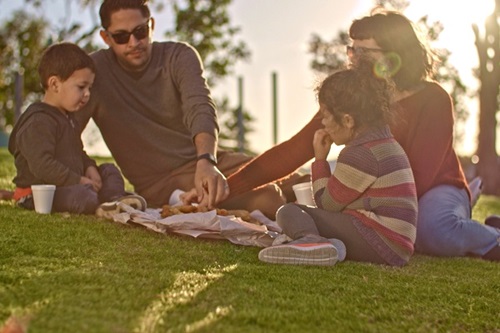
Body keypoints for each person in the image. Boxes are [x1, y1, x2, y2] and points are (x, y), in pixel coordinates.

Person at [228, 10, 500, 261]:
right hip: (373, 188)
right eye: (351, 50)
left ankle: (491, 237)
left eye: (363, 51)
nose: (352, 60)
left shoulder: (433, 98)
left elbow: (416, 179)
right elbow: (294, 150)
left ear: (395, 55)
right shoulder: (353, 100)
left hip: (437, 187)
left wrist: (349, 204)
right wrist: (227, 188)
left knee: (431, 230)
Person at [75, 0, 294, 218]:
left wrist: (207, 160)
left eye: (140, 31)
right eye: (122, 36)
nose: (133, 42)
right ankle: (305, 233)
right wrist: (87, 165)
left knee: (294, 179)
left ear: (151, 24)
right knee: (269, 198)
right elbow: (65, 129)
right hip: (162, 184)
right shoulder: (93, 73)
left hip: (207, 160)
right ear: (106, 37)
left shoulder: (179, 56)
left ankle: (322, 225)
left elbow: (200, 107)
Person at [258, 60, 418, 266]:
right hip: (396, 245)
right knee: (312, 216)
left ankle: (310, 242)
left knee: (289, 211)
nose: (323, 123)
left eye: (325, 115)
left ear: (348, 120)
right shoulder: (385, 144)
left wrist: (320, 159)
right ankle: (331, 247)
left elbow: (328, 204)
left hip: (380, 241)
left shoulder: (361, 153)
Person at [8, 42, 146, 217]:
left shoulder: (68, 118)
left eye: (90, 88)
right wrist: (78, 180)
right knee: (82, 196)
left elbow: (77, 152)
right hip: (40, 193)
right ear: (55, 84)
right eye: (81, 87)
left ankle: (114, 200)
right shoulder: (38, 121)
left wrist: (90, 168)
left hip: (71, 184)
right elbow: (42, 165)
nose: (88, 94)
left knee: (109, 170)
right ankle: (102, 203)